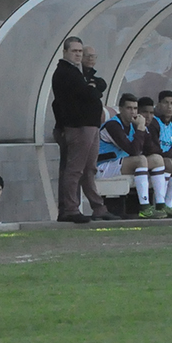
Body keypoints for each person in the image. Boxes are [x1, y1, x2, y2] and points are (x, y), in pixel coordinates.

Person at [51, 36, 113, 223]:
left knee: (89, 169)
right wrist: (92, 88)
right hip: (78, 126)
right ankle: (70, 209)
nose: (78, 55)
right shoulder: (65, 72)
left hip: (90, 126)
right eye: (74, 51)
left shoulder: (78, 72)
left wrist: (93, 87)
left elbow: (99, 84)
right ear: (65, 52)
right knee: (75, 169)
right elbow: (88, 94)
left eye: (80, 51)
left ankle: (98, 207)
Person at [97, 93, 170, 218]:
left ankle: (161, 204)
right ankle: (144, 207)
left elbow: (152, 150)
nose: (133, 112)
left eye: (135, 108)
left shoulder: (133, 124)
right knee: (140, 160)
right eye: (129, 108)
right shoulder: (113, 125)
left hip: (120, 164)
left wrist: (143, 128)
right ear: (120, 109)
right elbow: (133, 151)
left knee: (157, 159)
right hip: (103, 166)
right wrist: (141, 128)